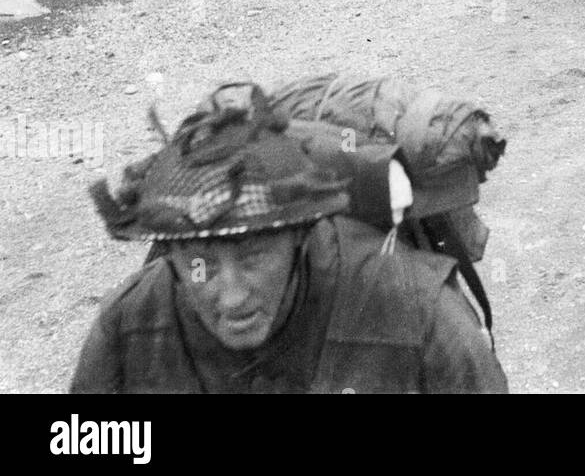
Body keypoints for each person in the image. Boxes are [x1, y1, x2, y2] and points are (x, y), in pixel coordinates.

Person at [71, 82, 507, 393]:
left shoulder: (418, 311)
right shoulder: (128, 326)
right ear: (172, 252)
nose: (232, 296)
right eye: (200, 264)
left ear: (301, 236)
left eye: (254, 257)